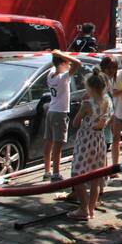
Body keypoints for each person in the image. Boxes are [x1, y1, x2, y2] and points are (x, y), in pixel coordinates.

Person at [68, 69, 112, 221]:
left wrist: (81, 106)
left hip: (86, 140)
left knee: (77, 174)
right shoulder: (107, 101)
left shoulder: (87, 104)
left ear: (90, 87)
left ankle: (83, 208)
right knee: (95, 176)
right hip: (99, 140)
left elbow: (75, 123)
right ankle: (91, 209)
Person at [42, 50, 82, 181]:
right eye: (67, 63)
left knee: (49, 142)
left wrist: (59, 58)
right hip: (60, 112)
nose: (69, 64)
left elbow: (62, 65)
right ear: (62, 63)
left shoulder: (51, 74)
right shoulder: (63, 77)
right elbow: (78, 63)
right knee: (58, 144)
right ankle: (56, 173)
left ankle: (47, 170)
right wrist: (63, 56)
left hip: (51, 110)